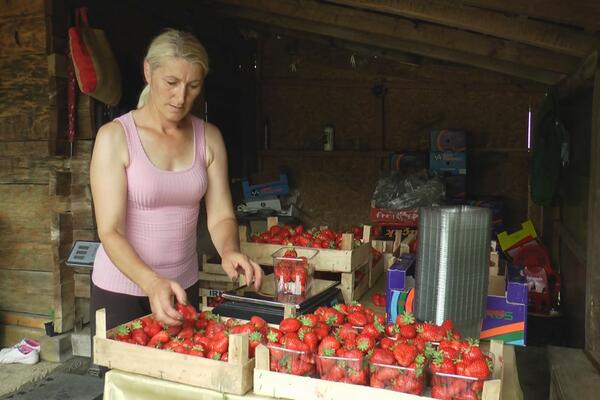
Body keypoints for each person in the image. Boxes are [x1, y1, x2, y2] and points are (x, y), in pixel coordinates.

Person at [89, 28, 263, 334]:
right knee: (125, 382)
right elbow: (110, 230)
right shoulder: (116, 137)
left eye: (193, 86)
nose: (181, 97)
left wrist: (229, 250)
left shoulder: (208, 138)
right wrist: (152, 283)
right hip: (120, 292)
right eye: (171, 83)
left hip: (182, 288)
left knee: (184, 377)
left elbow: (221, 215)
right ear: (148, 71)